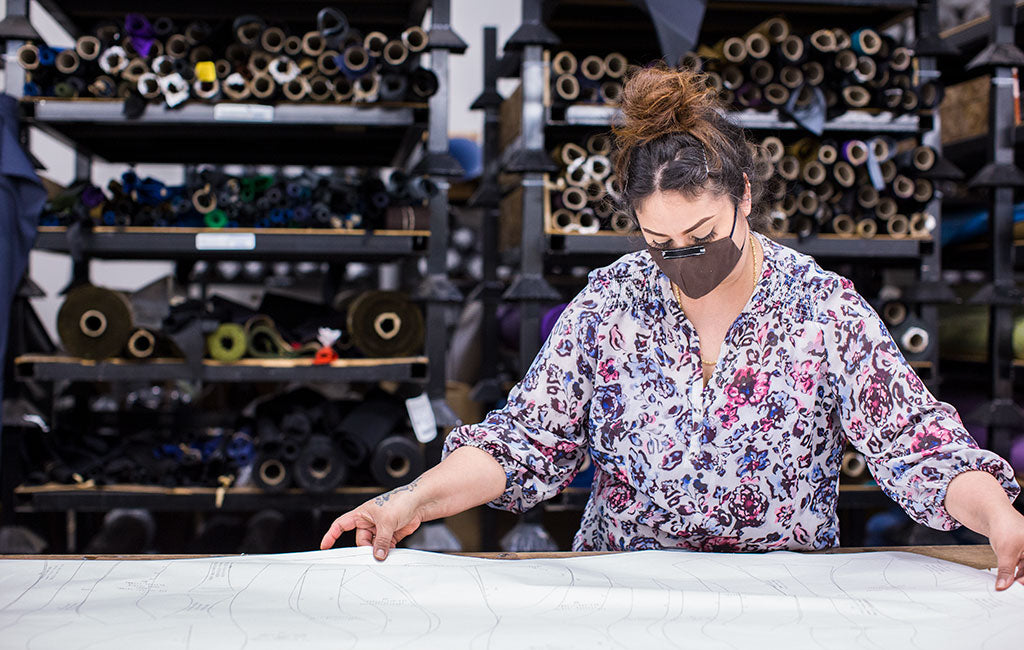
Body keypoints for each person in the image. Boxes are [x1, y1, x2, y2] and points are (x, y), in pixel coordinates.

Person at [322, 63, 1024, 591]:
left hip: (782, 603)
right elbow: (525, 442)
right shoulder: (610, 306)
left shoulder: (823, 311)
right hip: (628, 595)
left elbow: (915, 444)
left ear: (744, 196)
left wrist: (997, 517)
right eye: (661, 242)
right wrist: (411, 499)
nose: (683, 259)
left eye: (702, 233)